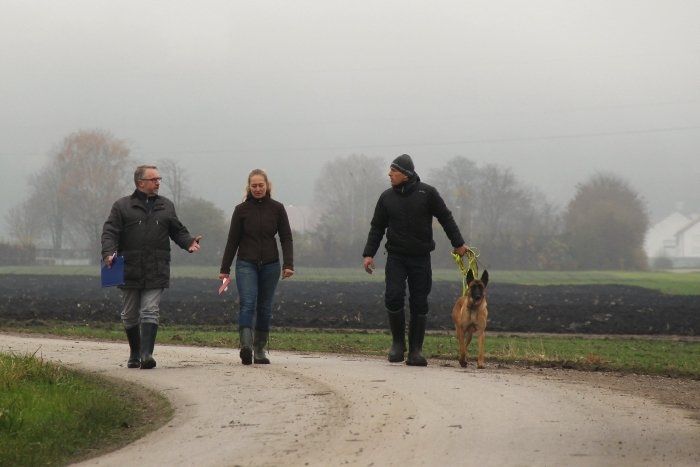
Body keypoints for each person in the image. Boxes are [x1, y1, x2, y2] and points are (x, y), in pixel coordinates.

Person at [362, 154, 469, 366]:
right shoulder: (386, 198)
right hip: (396, 257)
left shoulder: (427, 193)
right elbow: (377, 227)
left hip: (421, 258)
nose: (389, 174)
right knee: (393, 296)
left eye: (393, 171)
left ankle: (415, 351)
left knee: (419, 301)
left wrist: (458, 243)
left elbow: (445, 217)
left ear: (406, 174)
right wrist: (368, 254)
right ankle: (397, 345)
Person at [101, 165, 201, 369]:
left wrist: (189, 242)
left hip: (157, 267)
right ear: (140, 183)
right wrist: (109, 252)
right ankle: (135, 353)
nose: (158, 183)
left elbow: (177, 231)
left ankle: (147, 355)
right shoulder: (122, 206)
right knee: (130, 314)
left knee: (150, 310)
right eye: (153, 179)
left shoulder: (166, 206)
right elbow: (110, 232)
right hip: (129, 268)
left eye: (159, 179)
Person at [219, 169, 294, 365]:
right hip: (246, 263)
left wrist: (288, 264)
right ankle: (246, 346)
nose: (258, 189)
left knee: (265, 307)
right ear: (249, 187)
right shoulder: (241, 210)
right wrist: (225, 268)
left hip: (271, 265)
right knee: (248, 303)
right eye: (254, 186)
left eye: (261, 185)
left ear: (267, 186)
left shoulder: (277, 208)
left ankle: (259, 349)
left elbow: (286, 237)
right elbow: (232, 240)